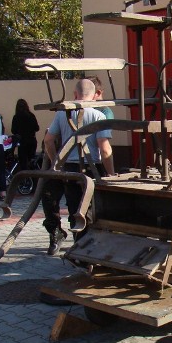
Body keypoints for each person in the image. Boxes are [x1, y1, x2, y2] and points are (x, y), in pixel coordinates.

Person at [42, 78, 114, 256]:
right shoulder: (99, 116)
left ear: (75, 94)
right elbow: (104, 150)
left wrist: (56, 164)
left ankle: (80, 250)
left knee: (75, 209)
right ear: (94, 95)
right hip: (92, 169)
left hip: (68, 169)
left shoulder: (62, 114)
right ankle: (88, 251)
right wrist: (111, 174)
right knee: (91, 210)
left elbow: (48, 140)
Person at [11, 99, 40, 171]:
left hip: (22, 143)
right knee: (32, 161)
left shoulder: (16, 117)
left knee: (23, 163)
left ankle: (25, 180)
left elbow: (13, 130)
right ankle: (33, 178)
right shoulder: (31, 115)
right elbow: (37, 128)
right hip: (32, 142)